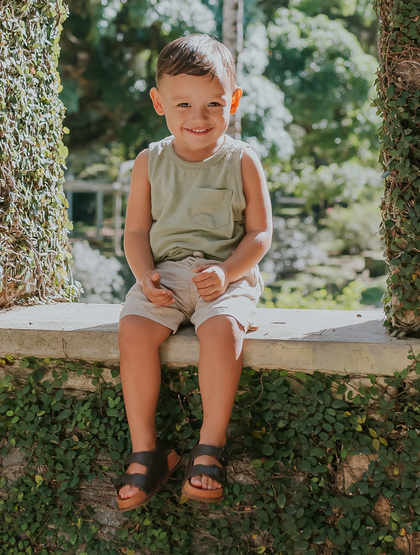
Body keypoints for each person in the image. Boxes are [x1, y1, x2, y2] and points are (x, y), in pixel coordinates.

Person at [113, 34, 273, 511]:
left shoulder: (242, 160)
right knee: (133, 331)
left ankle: (210, 446)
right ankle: (147, 451)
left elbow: (260, 235)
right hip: (164, 275)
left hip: (227, 275)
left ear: (234, 102)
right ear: (159, 102)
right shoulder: (149, 161)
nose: (198, 117)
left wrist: (226, 273)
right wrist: (145, 275)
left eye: (213, 104)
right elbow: (136, 232)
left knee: (222, 331)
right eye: (183, 103)